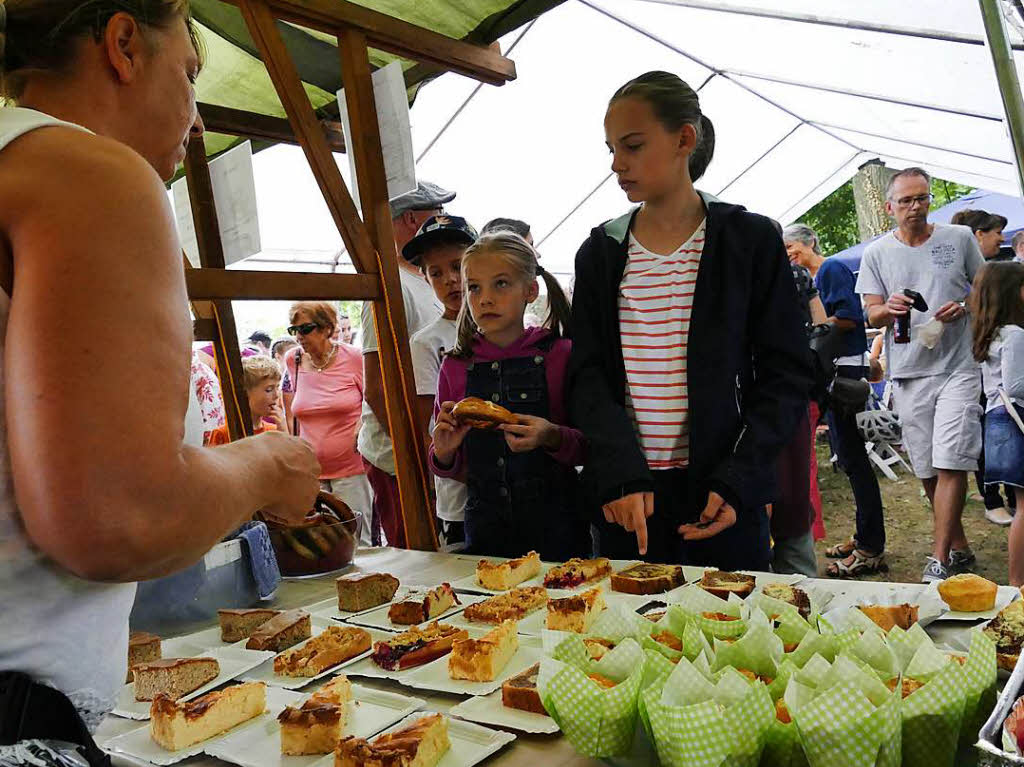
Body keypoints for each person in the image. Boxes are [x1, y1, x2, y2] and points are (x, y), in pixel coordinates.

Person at [0, 0, 319, 748]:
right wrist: (269, 463)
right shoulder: (90, 174)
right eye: (190, 74)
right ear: (123, 46)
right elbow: (117, 516)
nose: (197, 117)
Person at [568, 71, 813, 569]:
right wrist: (617, 470)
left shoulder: (749, 241)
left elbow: (785, 372)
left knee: (734, 635)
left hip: (719, 492)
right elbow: (587, 376)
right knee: (626, 634)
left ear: (684, 139)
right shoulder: (601, 252)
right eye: (611, 149)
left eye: (633, 146)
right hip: (630, 500)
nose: (617, 164)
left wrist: (740, 477)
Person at [856, 167, 985, 583]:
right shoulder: (877, 254)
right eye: (907, 200)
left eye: (923, 198)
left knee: (951, 460)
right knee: (928, 468)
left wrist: (964, 307)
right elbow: (869, 312)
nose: (916, 207)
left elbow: (982, 290)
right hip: (909, 371)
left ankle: (939, 557)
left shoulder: (959, 239)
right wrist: (887, 308)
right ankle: (959, 545)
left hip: (958, 367)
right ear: (889, 206)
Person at [430, 232, 588, 559]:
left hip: (558, 526)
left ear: (530, 291)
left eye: (500, 284)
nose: (485, 298)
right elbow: (446, 462)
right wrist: (443, 452)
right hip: (486, 528)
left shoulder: (561, 354)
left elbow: (589, 445)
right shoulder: (455, 366)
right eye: (474, 287)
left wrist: (552, 436)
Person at [785, 223, 887, 576]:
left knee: (855, 462)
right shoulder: (818, 274)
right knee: (848, 459)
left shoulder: (830, 269)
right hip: (834, 376)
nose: (789, 253)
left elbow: (847, 318)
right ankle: (864, 537)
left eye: (793, 247)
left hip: (845, 378)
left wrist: (812, 328)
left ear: (810, 242)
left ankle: (871, 547)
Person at [358, 182, 450, 547]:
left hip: (431, 449)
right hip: (401, 457)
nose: (442, 220)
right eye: (437, 212)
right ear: (412, 218)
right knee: (416, 555)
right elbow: (377, 386)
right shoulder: (388, 287)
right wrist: (415, 456)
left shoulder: (425, 281)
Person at [406, 216, 478, 553]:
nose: (450, 280)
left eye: (458, 266)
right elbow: (428, 428)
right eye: (435, 272)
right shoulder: (427, 341)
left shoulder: (510, 332)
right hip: (460, 499)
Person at [284, 302, 372, 544]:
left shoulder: (354, 358)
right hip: (313, 472)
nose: (299, 337)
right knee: (323, 544)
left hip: (351, 469)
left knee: (356, 542)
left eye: (305, 329)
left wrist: (360, 426)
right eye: (294, 331)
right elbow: (290, 410)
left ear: (326, 328)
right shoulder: (294, 361)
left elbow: (373, 400)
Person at [969, 261, 1024, 584]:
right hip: (1014, 422)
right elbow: (1016, 386)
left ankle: (1018, 581)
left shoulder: (992, 334)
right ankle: (1018, 582)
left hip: (998, 423)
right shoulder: (1015, 334)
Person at [207, 356, 285, 445]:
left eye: (277, 388)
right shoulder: (222, 435)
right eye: (269, 390)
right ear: (245, 393)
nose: (277, 395)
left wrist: (284, 434)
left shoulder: (275, 431)